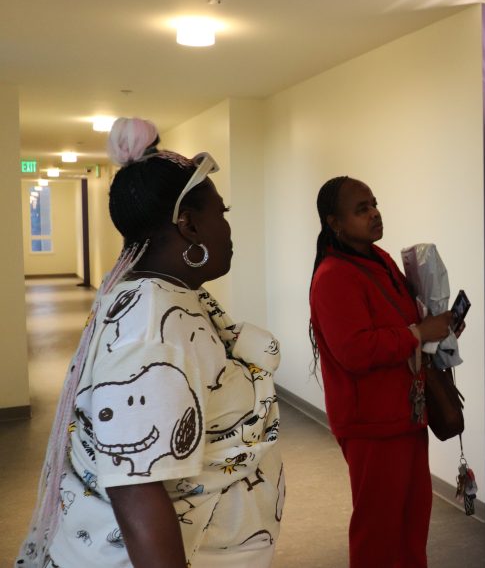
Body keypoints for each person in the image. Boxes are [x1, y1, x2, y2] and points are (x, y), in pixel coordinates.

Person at [17, 118, 285, 568]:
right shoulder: (151, 327)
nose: (228, 227)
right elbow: (135, 485)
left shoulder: (174, 295)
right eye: (222, 213)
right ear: (189, 225)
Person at [308, 176, 457, 568]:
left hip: (406, 413)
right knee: (378, 529)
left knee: (411, 520)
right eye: (362, 208)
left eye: (374, 203)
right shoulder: (334, 276)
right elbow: (355, 350)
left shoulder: (381, 260)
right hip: (371, 423)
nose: (374, 212)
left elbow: (405, 323)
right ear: (334, 223)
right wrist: (418, 333)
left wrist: (438, 327)